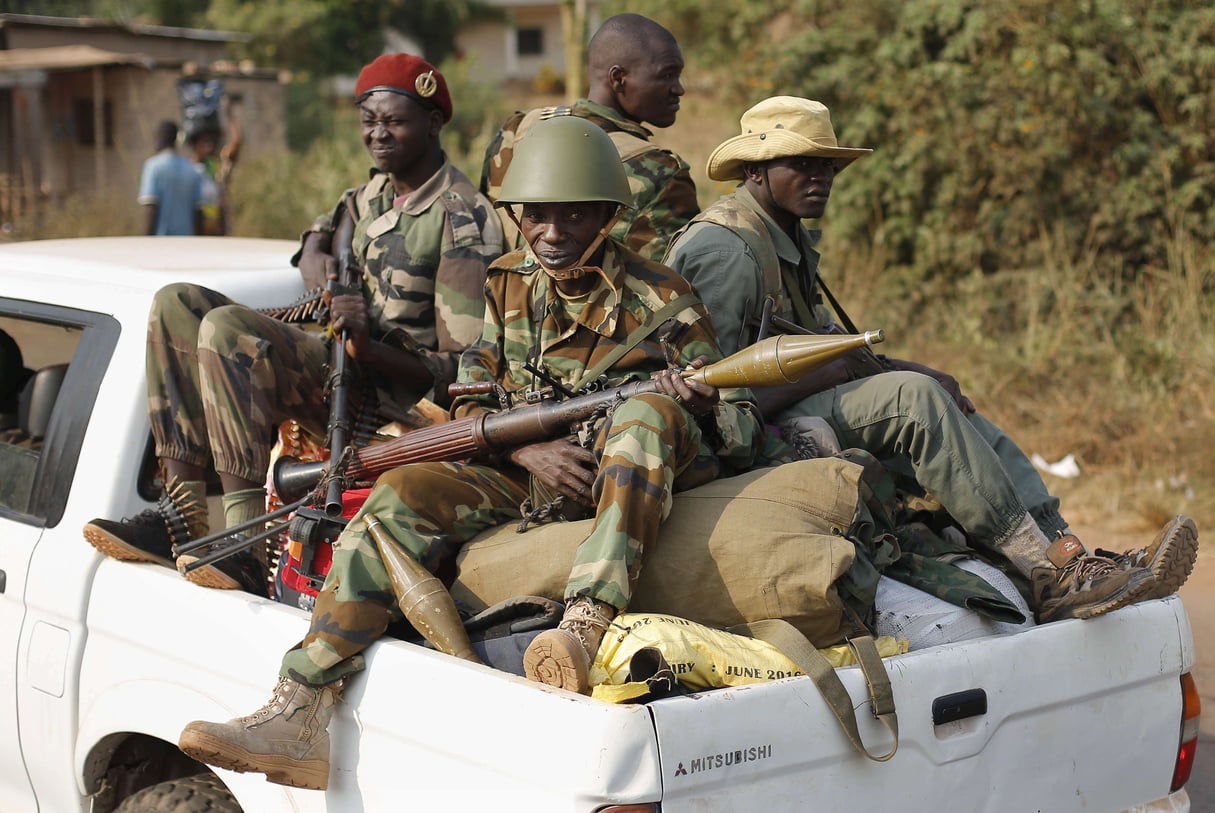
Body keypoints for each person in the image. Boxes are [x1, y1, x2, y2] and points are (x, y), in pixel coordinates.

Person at [176, 114, 764, 790]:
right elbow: (469, 399)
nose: (551, 232)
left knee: (644, 411)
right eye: (536, 216)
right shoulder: (507, 281)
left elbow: (744, 426)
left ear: (606, 214)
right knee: (402, 491)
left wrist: (694, 403)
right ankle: (300, 707)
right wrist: (525, 452)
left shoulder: (664, 299)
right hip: (532, 473)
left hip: (632, 471)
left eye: (571, 216)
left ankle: (585, 620)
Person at [663, 95, 1197, 623]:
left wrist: (908, 368)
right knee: (912, 400)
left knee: (941, 393)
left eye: (827, 165)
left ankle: (1065, 554)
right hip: (745, 437)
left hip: (790, 404)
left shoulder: (782, 236)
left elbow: (817, 349)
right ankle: (1045, 569)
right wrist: (851, 371)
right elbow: (719, 400)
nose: (821, 177)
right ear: (756, 170)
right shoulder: (727, 251)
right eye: (802, 164)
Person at [84, 54, 505, 594]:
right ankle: (180, 515)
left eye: (394, 121)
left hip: (388, 400)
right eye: (368, 121)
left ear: (433, 122)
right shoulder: (370, 194)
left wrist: (367, 348)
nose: (378, 134)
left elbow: (461, 371)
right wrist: (323, 269)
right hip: (338, 372)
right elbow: (318, 237)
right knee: (175, 303)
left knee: (229, 330)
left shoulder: (460, 217)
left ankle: (244, 543)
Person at [481, 12, 698, 260]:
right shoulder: (662, 173)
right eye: (667, 75)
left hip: (507, 297)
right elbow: (670, 282)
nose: (679, 89)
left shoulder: (519, 128)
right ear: (618, 79)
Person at [137, 121, 203, 236]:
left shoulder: (153, 166)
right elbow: (198, 214)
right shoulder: (192, 170)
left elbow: (151, 208)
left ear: (159, 139)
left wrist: (145, 243)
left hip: (162, 244)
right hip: (188, 244)